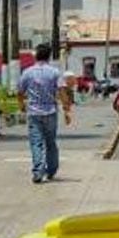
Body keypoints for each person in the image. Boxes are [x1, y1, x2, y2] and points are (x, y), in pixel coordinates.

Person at [18, 43, 73, 184]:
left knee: (36, 143)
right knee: (51, 142)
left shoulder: (27, 72)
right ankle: (51, 170)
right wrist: (67, 110)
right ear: (48, 56)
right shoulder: (54, 72)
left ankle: (38, 171)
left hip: (34, 113)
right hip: (50, 112)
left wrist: (21, 105)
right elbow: (62, 91)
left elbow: (20, 91)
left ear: (36, 55)